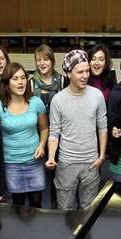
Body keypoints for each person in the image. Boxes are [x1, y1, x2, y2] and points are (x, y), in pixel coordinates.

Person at [46, 50, 108, 210]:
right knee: (64, 208)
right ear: (68, 73)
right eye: (80, 72)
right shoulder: (58, 100)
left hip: (91, 163)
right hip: (66, 164)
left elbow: (103, 127)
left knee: (88, 209)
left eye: (87, 71)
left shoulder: (97, 96)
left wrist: (101, 156)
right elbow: (54, 132)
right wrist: (52, 156)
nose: (85, 75)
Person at [0, 63, 48, 208]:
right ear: (7, 82)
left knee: (36, 202)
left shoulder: (35, 102)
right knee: (17, 204)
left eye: (23, 78)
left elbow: (45, 127)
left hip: (34, 160)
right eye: (15, 78)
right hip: (11, 163)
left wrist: (42, 145)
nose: (21, 82)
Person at [29, 44, 68, 208]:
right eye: (38, 60)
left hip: (59, 132)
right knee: (37, 170)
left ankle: (55, 202)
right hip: (38, 132)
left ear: (52, 61)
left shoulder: (62, 80)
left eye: (45, 59)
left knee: (57, 170)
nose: (42, 63)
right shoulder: (31, 83)